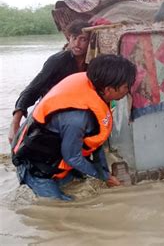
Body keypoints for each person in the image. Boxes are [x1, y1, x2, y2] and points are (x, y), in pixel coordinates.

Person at [11, 54, 137, 201]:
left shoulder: (97, 90)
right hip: (35, 166)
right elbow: (72, 157)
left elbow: (96, 143)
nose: (127, 91)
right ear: (108, 89)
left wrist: (104, 173)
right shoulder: (77, 118)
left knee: (80, 187)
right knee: (61, 208)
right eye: (125, 87)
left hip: (57, 156)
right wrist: (104, 177)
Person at [8, 20, 91, 144]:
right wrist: (15, 123)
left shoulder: (92, 64)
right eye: (74, 38)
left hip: (76, 115)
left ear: (90, 42)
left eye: (83, 39)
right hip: (51, 114)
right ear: (69, 38)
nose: (77, 43)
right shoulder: (57, 60)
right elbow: (33, 89)